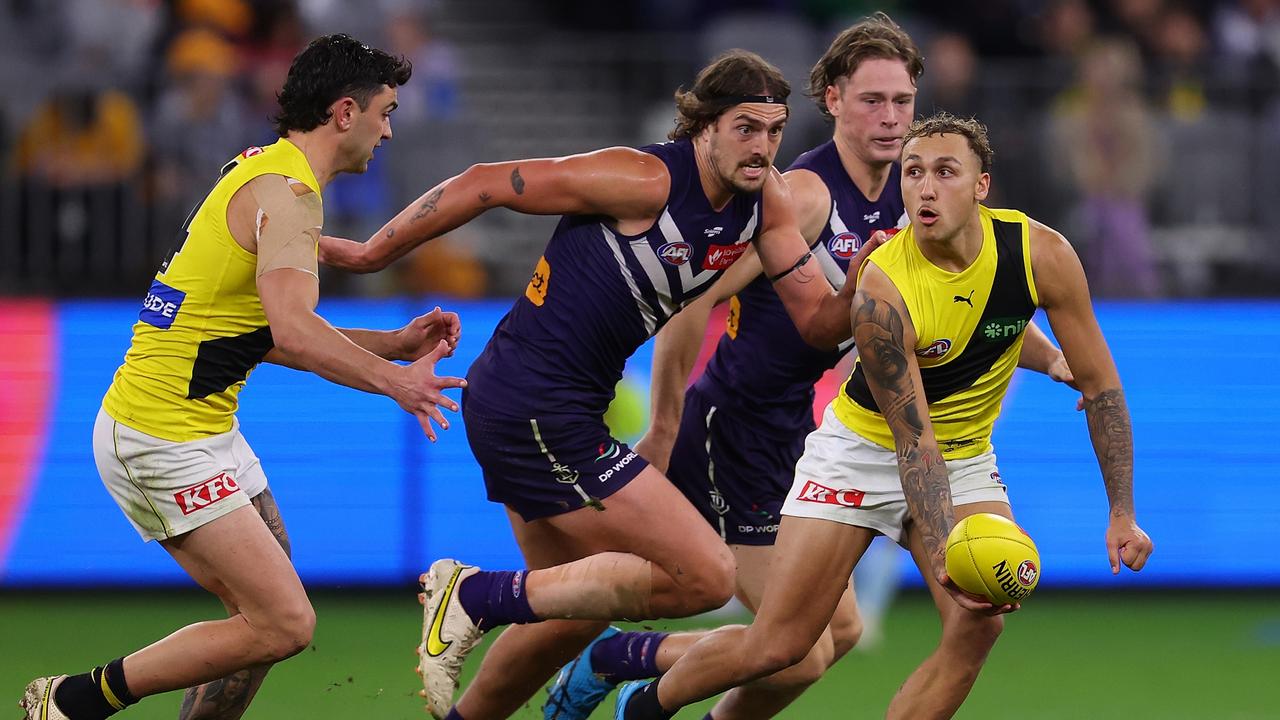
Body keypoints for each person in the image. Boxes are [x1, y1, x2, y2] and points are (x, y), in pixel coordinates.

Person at [318, 50, 879, 720]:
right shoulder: (644, 179)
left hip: (552, 409)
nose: (762, 147)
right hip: (530, 403)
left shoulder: (767, 207)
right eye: (745, 128)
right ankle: (473, 595)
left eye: (774, 130)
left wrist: (863, 283)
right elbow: (485, 182)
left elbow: (819, 323)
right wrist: (370, 252)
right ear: (703, 126)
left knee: (573, 614)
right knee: (704, 576)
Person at [543, 15, 1074, 720]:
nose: (889, 119)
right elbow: (688, 302)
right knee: (800, 646)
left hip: (810, 432)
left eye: (902, 102)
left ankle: (625, 665)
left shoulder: (914, 197)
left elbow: (964, 308)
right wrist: (666, 425)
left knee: (845, 634)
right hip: (738, 428)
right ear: (831, 101)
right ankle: (617, 662)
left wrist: (1051, 358)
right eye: (870, 101)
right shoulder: (806, 198)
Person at [609, 112, 1155, 720]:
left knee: (978, 629)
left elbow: (1103, 387)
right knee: (784, 646)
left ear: (982, 186)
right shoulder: (882, 284)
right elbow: (912, 436)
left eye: (945, 172)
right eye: (914, 171)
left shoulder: (1041, 254)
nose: (925, 187)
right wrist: (950, 548)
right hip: (859, 455)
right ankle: (648, 707)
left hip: (964, 456)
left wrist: (1123, 512)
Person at [20, 34, 466, 720]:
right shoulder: (289, 194)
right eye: (386, 111)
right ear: (344, 112)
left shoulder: (262, 169)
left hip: (193, 424)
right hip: (161, 435)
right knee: (285, 624)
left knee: (259, 623)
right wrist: (396, 380)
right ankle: (73, 701)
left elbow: (255, 338)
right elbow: (292, 332)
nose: (389, 129)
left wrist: (395, 344)